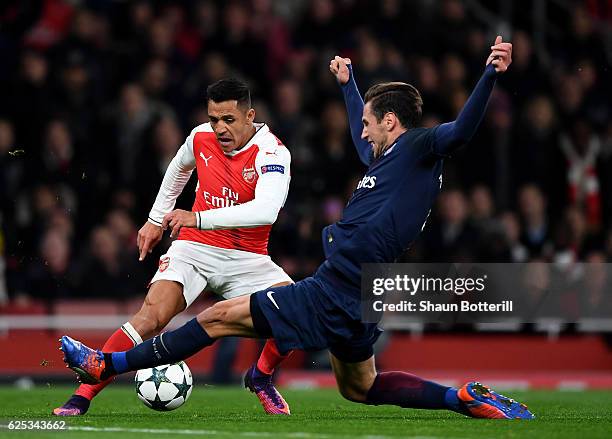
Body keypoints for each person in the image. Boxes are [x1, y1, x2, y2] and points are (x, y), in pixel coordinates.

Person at [61, 37, 534, 419]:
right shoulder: (388, 159)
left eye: (371, 123)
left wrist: (489, 74)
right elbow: (357, 135)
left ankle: (108, 363)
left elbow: (462, 131)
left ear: (392, 122)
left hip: (341, 279)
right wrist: (350, 87)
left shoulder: (422, 145)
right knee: (361, 387)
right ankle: (459, 398)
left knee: (216, 318)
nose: (363, 132)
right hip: (364, 288)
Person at [54, 78, 294, 416]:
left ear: (249, 115)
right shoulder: (200, 137)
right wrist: (155, 219)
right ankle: (82, 395)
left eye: (229, 119)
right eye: (214, 119)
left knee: (295, 313)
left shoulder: (273, 152)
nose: (220, 128)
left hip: (248, 256)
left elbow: (265, 211)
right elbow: (179, 168)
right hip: (195, 248)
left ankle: (261, 377)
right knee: (151, 316)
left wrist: (198, 217)